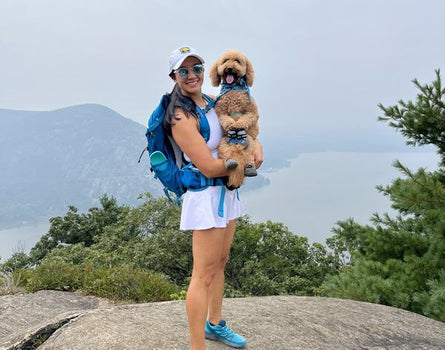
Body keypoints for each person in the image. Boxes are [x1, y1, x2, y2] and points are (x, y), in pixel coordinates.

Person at [165, 46, 263, 350]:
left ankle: (215, 324)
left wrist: (256, 146)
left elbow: (242, 129)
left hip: (227, 191)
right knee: (202, 274)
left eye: (196, 68)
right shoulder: (180, 115)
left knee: (220, 261)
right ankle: (198, 346)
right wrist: (245, 166)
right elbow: (207, 165)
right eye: (184, 71)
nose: (192, 75)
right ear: (174, 77)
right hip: (206, 194)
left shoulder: (212, 101)